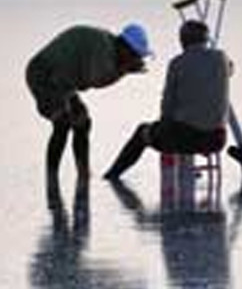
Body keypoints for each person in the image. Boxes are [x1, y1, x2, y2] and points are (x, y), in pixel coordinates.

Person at [103, 19, 232, 180]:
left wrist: (161, 128)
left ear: (182, 41)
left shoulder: (177, 64)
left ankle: (112, 175)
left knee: (142, 132)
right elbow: (230, 68)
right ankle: (186, 168)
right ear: (206, 39)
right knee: (181, 125)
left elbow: (167, 107)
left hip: (186, 138)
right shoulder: (222, 59)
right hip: (217, 139)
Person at [26, 23, 153, 178]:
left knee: (82, 122)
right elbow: (95, 80)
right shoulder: (104, 49)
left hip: (64, 82)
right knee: (62, 123)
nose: (136, 59)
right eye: (135, 55)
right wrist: (124, 70)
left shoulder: (111, 49)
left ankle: (83, 173)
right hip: (43, 74)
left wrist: (124, 68)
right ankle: (51, 176)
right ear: (125, 47)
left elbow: (90, 80)